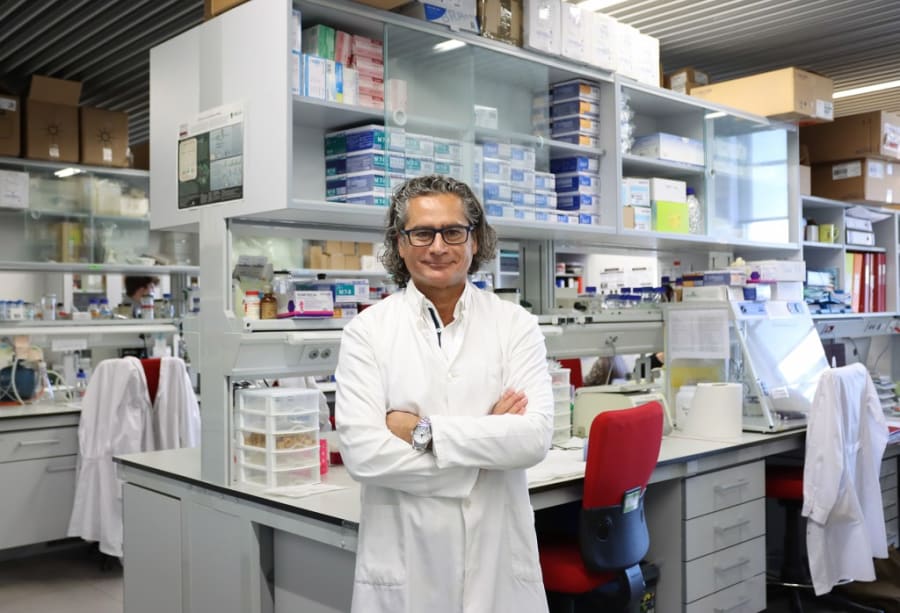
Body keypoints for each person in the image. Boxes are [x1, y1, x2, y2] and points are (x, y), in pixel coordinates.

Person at [335, 175, 554, 613]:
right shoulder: (367, 332)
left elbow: (533, 438)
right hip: (406, 563)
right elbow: (363, 453)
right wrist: (486, 446)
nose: (438, 246)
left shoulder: (515, 325)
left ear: (475, 241)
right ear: (400, 244)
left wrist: (421, 432)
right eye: (422, 233)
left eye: (453, 231)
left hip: (498, 562)